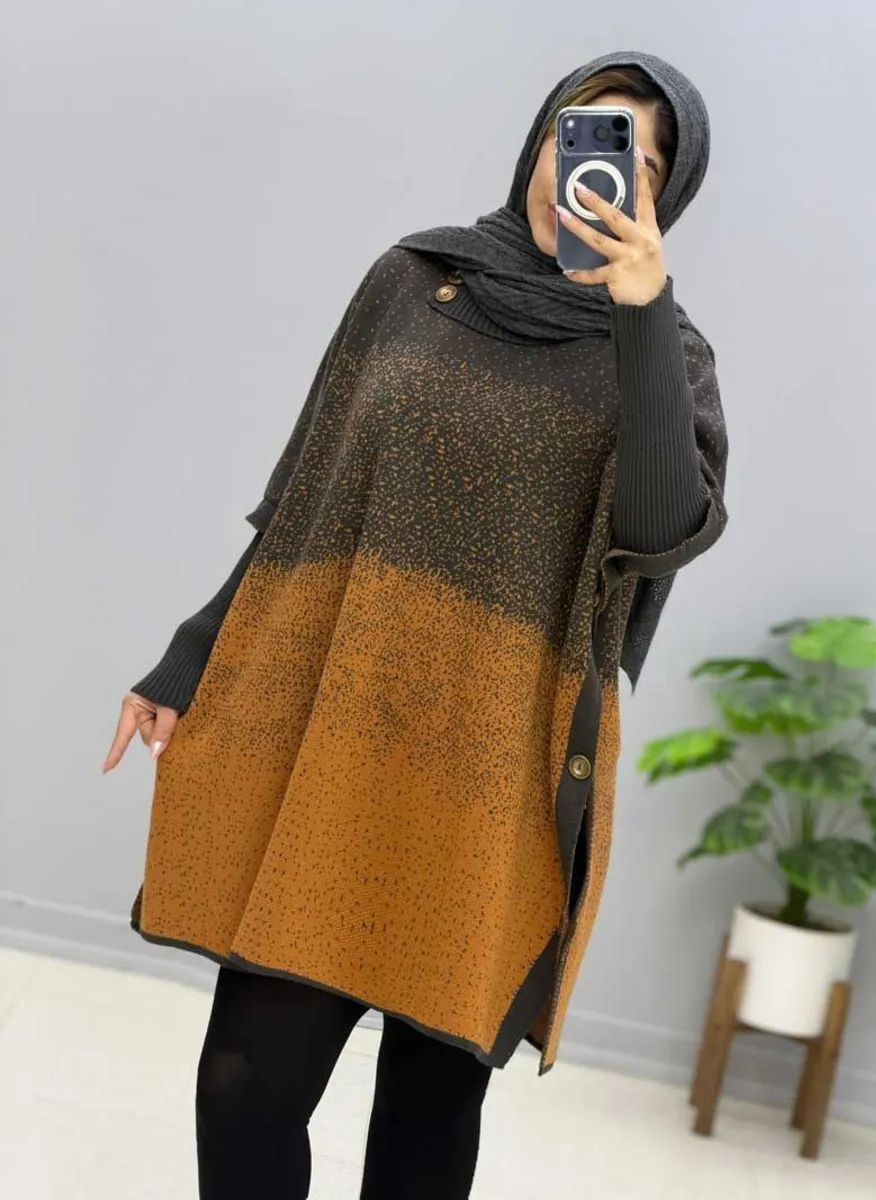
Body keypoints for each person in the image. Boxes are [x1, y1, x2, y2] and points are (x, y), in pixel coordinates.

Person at [103, 49, 728, 1200]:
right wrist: (190, 656)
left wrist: (642, 316)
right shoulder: (414, 279)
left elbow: (659, 528)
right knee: (244, 1081)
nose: (584, 171)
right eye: (575, 133)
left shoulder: (667, 354)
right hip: (337, 733)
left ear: (662, 195)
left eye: (631, 162)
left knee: (426, 1121)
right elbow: (305, 497)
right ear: (539, 140)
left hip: (497, 772)